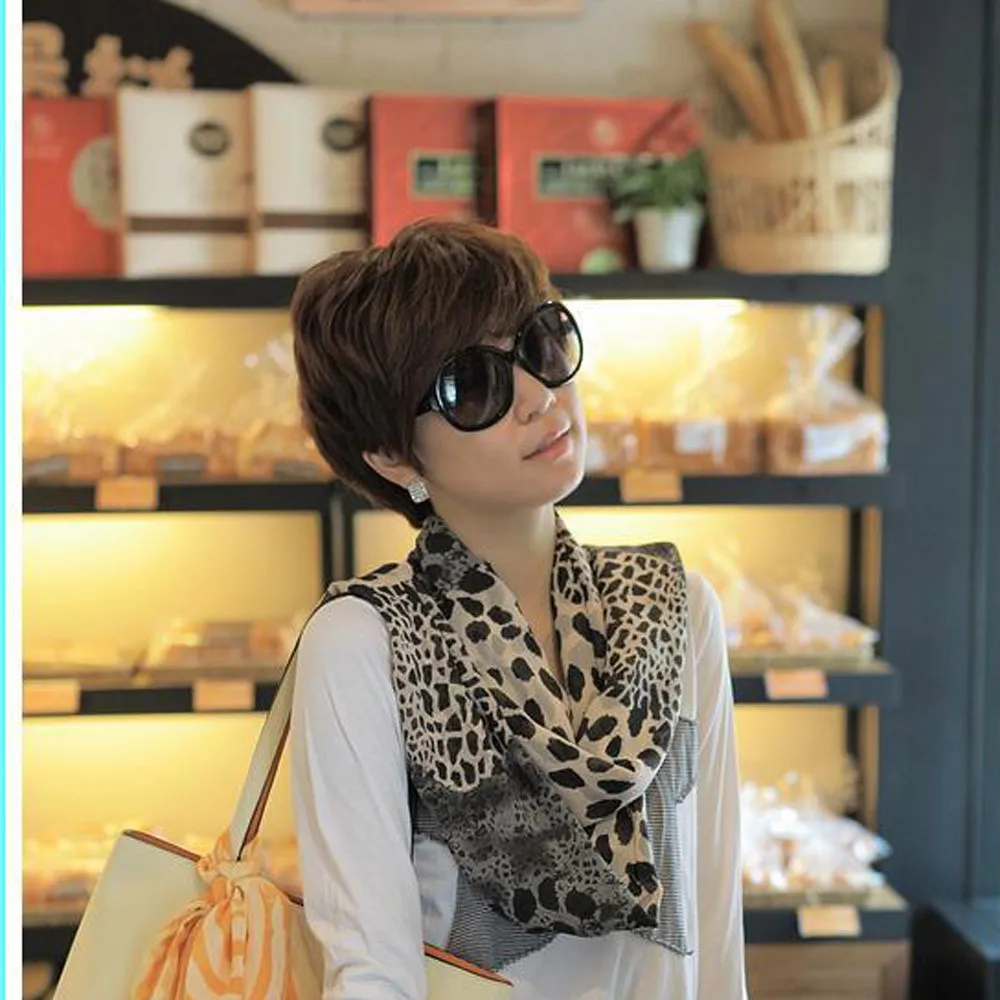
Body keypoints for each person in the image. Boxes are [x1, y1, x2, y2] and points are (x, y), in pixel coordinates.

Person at [288, 219, 748, 1000]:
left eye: (540, 345)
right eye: (473, 387)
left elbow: (714, 916)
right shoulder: (364, 641)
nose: (539, 397)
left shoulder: (675, 609)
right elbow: (371, 967)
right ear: (393, 455)